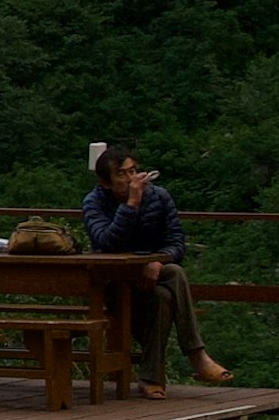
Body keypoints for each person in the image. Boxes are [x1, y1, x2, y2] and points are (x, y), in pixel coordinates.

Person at [82, 140, 232, 387]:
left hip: (154, 277)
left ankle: (151, 378)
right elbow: (106, 243)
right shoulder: (94, 203)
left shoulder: (159, 197)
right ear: (105, 182)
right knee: (173, 276)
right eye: (121, 174)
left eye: (132, 171)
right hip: (113, 281)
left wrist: (157, 262)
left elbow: (176, 243)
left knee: (166, 290)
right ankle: (196, 356)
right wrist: (130, 205)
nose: (130, 178)